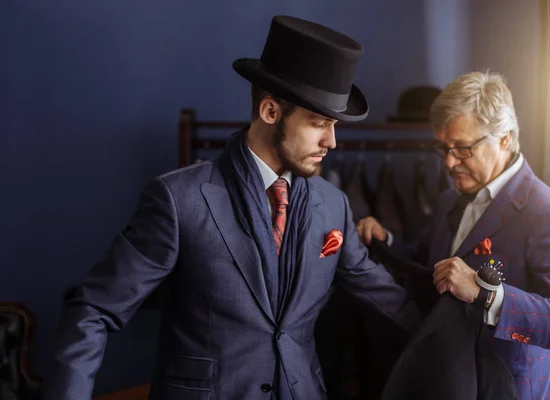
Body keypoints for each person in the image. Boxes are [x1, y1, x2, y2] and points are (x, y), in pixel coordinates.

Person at [42, 15, 420, 400]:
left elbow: (387, 299)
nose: (332, 142)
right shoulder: (178, 200)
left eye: (335, 125)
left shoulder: (332, 204)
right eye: (319, 123)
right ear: (270, 112)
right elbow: (93, 309)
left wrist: (471, 333)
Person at [357, 71, 550, 400]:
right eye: (442, 148)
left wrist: (486, 295)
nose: (450, 162)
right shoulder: (447, 201)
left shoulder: (548, 215)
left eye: (463, 148)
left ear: (505, 139)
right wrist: (390, 240)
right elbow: (431, 260)